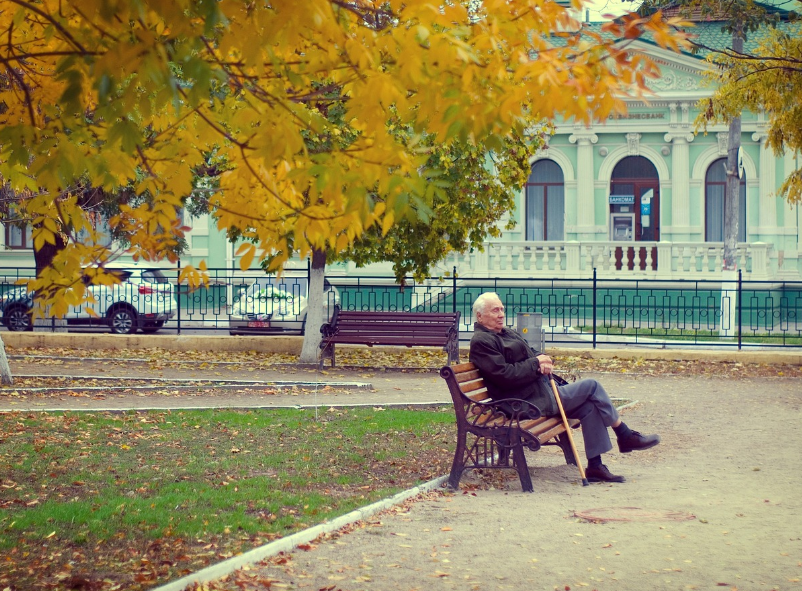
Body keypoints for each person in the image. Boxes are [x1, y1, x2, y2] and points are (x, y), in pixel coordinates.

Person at [469, 292, 660, 483]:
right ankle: (624, 434)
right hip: (522, 402)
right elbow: (504, 375)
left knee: (589, 407)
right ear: (480, 316)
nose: (501, 314)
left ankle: (595, 466)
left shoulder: (506, 333)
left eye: (502, 309)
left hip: (536, 392)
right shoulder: (482, 341)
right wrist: (535, 364)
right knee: (592, 386)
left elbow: (531, 352)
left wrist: (542, 359)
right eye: (495, 310)